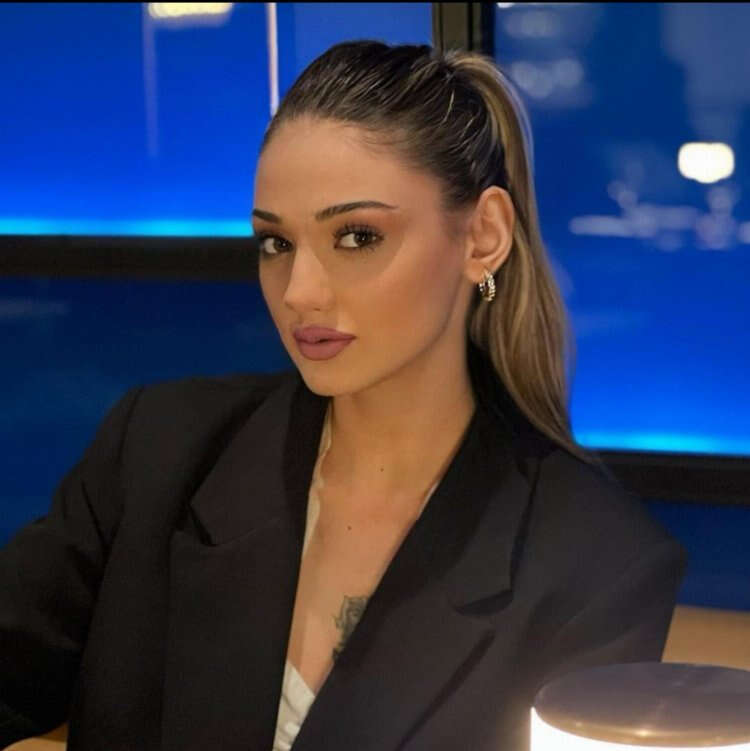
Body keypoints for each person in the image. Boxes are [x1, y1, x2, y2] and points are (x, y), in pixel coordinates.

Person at [0, 40, 686, 751]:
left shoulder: (596, 565)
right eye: (276, 243)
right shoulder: (159, 452)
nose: (300, 292)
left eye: (357, 236)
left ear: (483, 237)